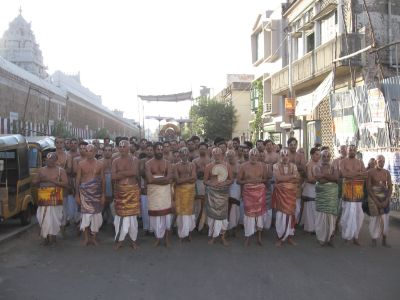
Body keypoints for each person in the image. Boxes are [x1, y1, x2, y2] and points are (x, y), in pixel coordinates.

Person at [33, 153, 69, 246]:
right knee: (42, 218)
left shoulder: (61, 171)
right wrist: (40, 180)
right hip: (43, 198)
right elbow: (34, 182)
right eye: (48, 160)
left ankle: (53, 237)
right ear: (45, 160)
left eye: (52, 159)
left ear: (56, 160)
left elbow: (65, 184)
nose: (50, 161)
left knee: (55, 218)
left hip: (55, 198)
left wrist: (51, 180)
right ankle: (45, 237)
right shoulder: (41, 170)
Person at [112, 140, 141, 250]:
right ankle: (120, 240)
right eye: (120, 146)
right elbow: (113, 177)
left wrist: (120, 173)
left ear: (129, 147)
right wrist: (126, 173)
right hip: (120, 192)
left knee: (132, 219)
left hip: (132, 191)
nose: (122, 148)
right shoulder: (115, 161)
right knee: (120, 218)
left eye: (124, 146)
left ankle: (133, 240)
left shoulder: (134, 159)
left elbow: (134, 173)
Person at [237, 149, 268, 246]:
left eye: (255, 155)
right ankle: (248, 237)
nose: (253, 157)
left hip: (259, 193)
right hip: (248, 194)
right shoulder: (243, 166)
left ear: (258, 156)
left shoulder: (262, 166)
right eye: (251, 155)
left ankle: (259, 237)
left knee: (259, 215)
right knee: (248, 216)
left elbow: (265, 179)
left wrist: (258, 181)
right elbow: (238, 181)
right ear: (249, 156)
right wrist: (249, 182)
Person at [75, 144, 105, 246]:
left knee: (96, 217)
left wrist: (103, 195)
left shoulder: (100, 164)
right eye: (86, 151)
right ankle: (86, 239)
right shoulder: (80, 164)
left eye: (90, 150)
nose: (88, 152)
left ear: (95, 152)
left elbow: (103, 180)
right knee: (86, 216)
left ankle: (94, 238)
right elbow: (78, 179)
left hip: (96, 194)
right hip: (84, 194)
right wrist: (77, 195)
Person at [145, 142, 173, 247]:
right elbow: (149, 179)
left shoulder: (168, 163)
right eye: (158, 149)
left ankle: (166, 239)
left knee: (166, 217)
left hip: (165, 193)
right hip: (154, 193)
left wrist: (155, 180)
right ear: (154, 150)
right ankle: (157, 238)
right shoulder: (148, 163)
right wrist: (164, 180)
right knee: (155, 217)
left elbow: (170, 178)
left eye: (161, 149)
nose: (160, 151)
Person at [204, 147, 232, 246]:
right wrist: (212, 184)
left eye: (218, 154)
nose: (217, 156)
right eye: (214, 154)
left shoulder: (227, 166)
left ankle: (222, 237)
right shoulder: (208, 166)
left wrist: (223, 184)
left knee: (223, 217)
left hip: (223, 194)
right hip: (212, 194)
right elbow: (205, 181)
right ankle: (213, 236)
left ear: (222, 155)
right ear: (212, 155)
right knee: (212, 217)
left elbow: (230, 180)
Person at [339, 144, 367, 245]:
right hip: (348, 192)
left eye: (354, 150)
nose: (352, 151)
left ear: (356, 151)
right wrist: (358, 174)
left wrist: (352, 174)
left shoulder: (360, 162)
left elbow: (365, 175)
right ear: (347, 151)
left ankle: (356, 236)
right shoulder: (343, 162)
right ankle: (346, 235)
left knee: (358, 215)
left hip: (358, 192)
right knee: (347, 214)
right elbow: (343, 174)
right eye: (350, 150)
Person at [272, 148, 299, 247]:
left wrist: (284, 180)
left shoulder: (294, 166)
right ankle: (280, 237)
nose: (285, 157)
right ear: (280, 156)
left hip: (290, 195)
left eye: (286, 155)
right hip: (280, 195)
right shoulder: (275, 166)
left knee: (291, 215)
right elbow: (278, 178)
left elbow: (297, 179)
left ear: (289, 157)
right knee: (280, 216)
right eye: (282, 155)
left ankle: (289, 237)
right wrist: (292, 176)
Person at [314, 150, 339, 246]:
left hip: (331, 196)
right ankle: (321, 238)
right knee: (321, 217)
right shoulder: (317, 167)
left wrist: (324, 175)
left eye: (328, 156)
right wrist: (330, 177)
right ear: (321, 157)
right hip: (322, 195)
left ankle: (330, 238)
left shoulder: (334, 166)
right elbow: (318, 179)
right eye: (324, 156)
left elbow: (336, 178)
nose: (326, 158)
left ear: (330, 157)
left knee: (331, 218)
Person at [367, 155, 392, 247]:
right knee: (375, 219)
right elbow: (369, 188)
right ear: (375, 162)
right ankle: (374, 239)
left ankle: (384, 240)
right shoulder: (370, 172)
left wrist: (387, 200)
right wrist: (376, 201)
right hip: (373, 197)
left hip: (384, 197)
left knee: (385, 219)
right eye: (380, 161)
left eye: (383, 161)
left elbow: (390, 187)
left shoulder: (386, 173)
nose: (382, 163)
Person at [174, 147, 197, 241]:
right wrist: (188, 178)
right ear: (179, 155)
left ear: (188, 155)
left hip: (190, 191)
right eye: (182, 154)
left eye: (186, 154)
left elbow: (194, 178)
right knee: (180, 213)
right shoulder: (176, 166)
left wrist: (182, 180)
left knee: (189, 213)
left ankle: (189, 233)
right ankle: (182, 234)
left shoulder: (192, 165)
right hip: (180, 192)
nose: (184, 156)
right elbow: (177, 180)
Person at [300, 147, 320, 233]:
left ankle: (316, 226)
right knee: (310, 207)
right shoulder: (309, 164)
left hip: (317, 187)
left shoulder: (320, 163)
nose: (318, 156)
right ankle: (310, 227)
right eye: (316, 154)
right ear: (312, 155)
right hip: (310, 188)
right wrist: (322, 179)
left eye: (319, 155)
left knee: (316, 207)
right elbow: (310, 179)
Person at [287, 137, 306, 223]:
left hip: (297, 183)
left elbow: (303, 167)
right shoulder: (285, 155)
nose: (293, 146)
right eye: (291, 145)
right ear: (288, 146)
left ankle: (294, 223)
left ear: (297, 145)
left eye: (295, 145)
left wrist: (291, 165)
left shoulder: (300, 156)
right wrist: (296, 166)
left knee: (297, 207)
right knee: (288, 204)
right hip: (287, 183)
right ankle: (289, 223)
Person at [193, 142, 210, 231]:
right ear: (198, 149)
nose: (202, 150)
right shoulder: (195, 161)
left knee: (207, 204)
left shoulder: (211, 160)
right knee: (198, 205)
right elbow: (194, 174)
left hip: (208, 184)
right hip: (198, 184)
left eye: (204, 148)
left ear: (207, 149)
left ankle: (206, 224)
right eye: (201, 148)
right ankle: (197, 224)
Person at [139, 142, 154, 234]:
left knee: (153, 208)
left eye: (151, 150)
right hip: (144, 186)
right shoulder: (142, 161)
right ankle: (146, 228)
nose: (149, 151)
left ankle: (153, 228)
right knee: (145, 209)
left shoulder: (157, 160)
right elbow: (141, 173)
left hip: (154, 187)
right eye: (148, 150)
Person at [226, 150, 241, 236]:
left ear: (235, 156)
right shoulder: (225, 165)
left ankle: (235, 227)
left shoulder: (239, 166)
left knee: (235, 206)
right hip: (226, 186)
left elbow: (241, 178)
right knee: (227, 207)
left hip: (236, 187)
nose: (230, 157)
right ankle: (227, 228)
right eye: (228, 156)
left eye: (232, 156)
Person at [100, 145, 114, 225]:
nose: (108, 152)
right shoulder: (100, 162)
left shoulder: (115, 161)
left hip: (112, 186)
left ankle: (114, 225)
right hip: (103, 185)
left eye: (109, 150)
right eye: (106, 150)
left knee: (112, 207)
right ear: (103, 151)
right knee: (102, 207)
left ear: (112, 151)